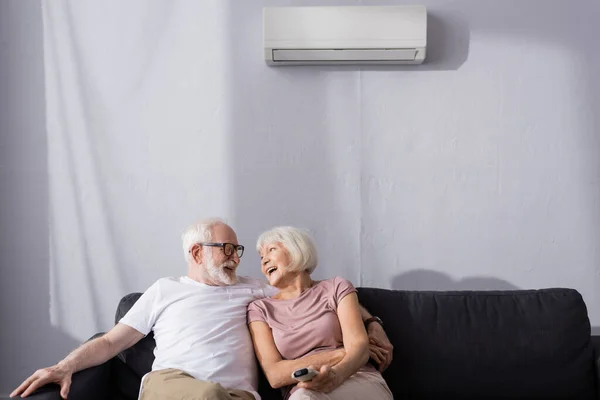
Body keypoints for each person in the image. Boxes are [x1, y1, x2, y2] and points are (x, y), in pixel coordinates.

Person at [11, 219, 392, 400]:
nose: (236, 258)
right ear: (197, 253)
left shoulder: (256, 292)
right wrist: (62, 367)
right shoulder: (165, 291)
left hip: (238, 397)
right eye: (227, 249)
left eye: (238, 250)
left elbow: (309, 293)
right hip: (173, 385)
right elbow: (111, 342)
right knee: (207, 396)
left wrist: (371, 322)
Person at [248, 226, 393, 400]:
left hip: (357, 378)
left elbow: (359, 348)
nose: (264, 261)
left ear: (296, 249)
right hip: (306, 390)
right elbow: (275, 375)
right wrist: (341, 353)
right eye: (261, 256)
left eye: (271, 250)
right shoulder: (260, 309)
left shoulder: (336, 287)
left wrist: (336, 375)